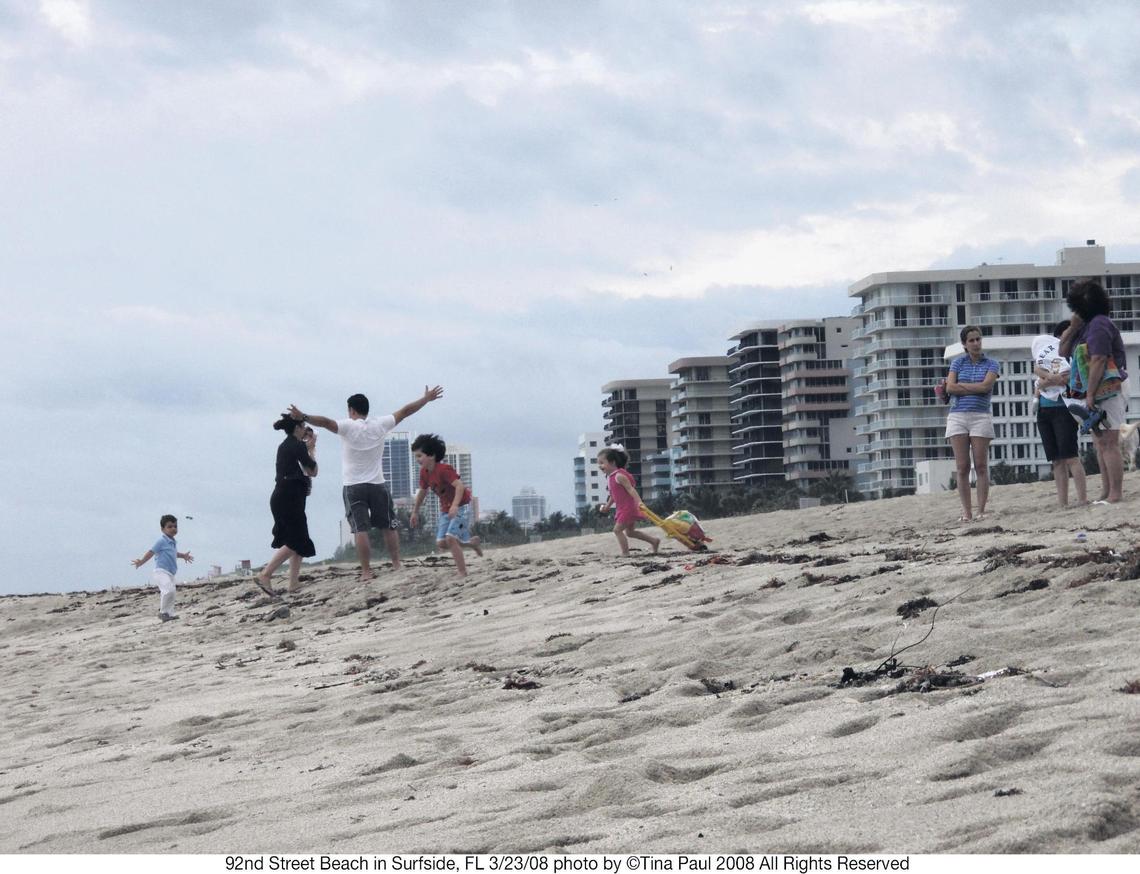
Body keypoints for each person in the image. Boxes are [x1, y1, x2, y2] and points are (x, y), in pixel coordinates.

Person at [287, 386, 443, 581]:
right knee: (389, 526)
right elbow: (405, 411)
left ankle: (367, 572)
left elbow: (326, 422)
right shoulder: (380, 424)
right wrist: (425, 399)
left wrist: (304, 416)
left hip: (353, 485)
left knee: (360, 529)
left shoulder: (348, 426)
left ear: (352, 410)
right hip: (377, 484)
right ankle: (396, 564)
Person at [1059, 279, 1128, 503]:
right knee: (1101, 443)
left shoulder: (1099, 324)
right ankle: (1107, 492)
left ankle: (1115, 493)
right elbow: (1062, 351)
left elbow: (1098, 359)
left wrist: (1089, 394)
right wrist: (1071, 328)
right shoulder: (1086, 326)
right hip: (1096, 389)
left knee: (1109, 441)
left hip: (1108, 389)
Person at [255, 415, 319, 596]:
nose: (306, 430)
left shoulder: (285, 445)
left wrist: (307, 447)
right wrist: (312, 449)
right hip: (289, 498)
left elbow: (297, 457)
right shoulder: (296, 446)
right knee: (295, 540)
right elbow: (312, 471)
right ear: (298, 428)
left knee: (301, 539)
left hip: (282, 497)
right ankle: (265, 574)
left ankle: (293, 583)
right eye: (304, 427)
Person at [945, 325, 1000, 522]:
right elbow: (950, 387)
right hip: (958, 416)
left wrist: (963, 387)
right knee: (962, 467)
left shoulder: (992, 364)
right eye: (971, 340)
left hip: (980, 415)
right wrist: (973, 388)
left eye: (978, 339)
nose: (976, 343)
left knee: (981, 465)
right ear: (964, 344)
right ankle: (966, 512)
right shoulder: (957, 363)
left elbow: (987, 386)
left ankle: (981, 509)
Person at [410, 433, 483, 577]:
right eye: (416, 456)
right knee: (442, 543)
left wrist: (455, 506)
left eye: (419, 456)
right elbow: (422, 492)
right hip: (446, 510)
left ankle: (462, 572)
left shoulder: (444, 470)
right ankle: (471, 544)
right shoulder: (424, 473)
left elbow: (460, 487)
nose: (417, 459)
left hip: (462, 505)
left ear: (431, 455)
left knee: (450, 538)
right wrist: (415, 511)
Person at [1032, 321, 1087, 508]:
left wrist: (1049, 380)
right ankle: (1062, 503)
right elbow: (1040, 381)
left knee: (1071, 455)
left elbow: (1068, 378)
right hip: (1044, 409)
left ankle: (1082, 499)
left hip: (1065, 407)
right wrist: (1050, 380)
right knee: (1056, 460)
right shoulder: (1045, 356)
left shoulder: (1074, 355)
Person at [596, 445, 660, 555]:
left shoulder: (619, 476)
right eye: (598, 463)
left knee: (617, 530)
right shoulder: (611, 477)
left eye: (602, 463)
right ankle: (654, 541)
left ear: (612, 462)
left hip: (628, 508)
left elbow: (631, 489)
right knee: (630, 532)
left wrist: (639, 502)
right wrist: (607, 506)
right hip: (623, 508)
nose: (599, 466)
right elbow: (613, 495)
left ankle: (625, 553)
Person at [131, 514, 193, 622]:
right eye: (169, 527)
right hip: (160, 571)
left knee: (172, 593)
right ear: (162, 529)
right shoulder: (161, 541)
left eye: (175, 526)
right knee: (168, 590)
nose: (173, 529)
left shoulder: (173, 542)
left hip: (171, 573)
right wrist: (141, 562)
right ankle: (163, 612)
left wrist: (183, 556)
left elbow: (173, 553)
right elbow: (151, 552)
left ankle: (169, 613)